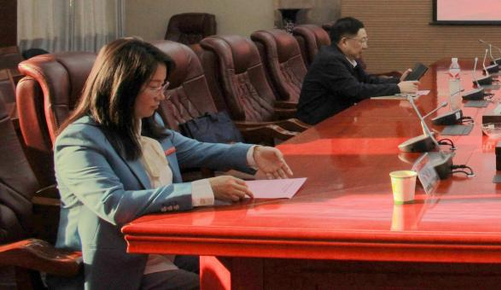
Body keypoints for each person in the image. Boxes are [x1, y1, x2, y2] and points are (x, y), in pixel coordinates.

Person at [52, 38, 293, 290]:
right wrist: (203, 190)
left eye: (163, 85)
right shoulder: (79, 140)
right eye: (154, 86)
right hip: (121, 266)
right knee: (220, 285)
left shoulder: (146, 121)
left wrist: (253, 154)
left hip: (166, 246)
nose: (162, 95)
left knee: (255, 267)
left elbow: (195, 150)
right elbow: (113, 204)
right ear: (124, 86)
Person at [297, 17, 419, 125]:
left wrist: (398, 81)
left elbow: (366, 80)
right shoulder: (330, 60)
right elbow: (355, 90)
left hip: (340, 114)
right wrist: (397, 88)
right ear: (344, 42)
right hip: (320, 123)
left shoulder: (344, 56)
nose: (365, 46)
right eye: (362, 41)